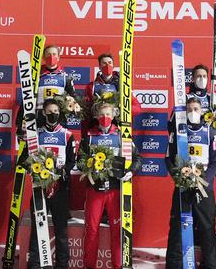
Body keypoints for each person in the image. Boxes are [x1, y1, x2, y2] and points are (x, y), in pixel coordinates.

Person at [78, 100, 136, 269]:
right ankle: (89, 266)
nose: (105, 118)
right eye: (102, 115)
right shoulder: (89, 136)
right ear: (96, 116)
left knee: (117, 230)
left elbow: (137, 158)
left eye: (108, 114)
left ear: (114, 116)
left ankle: (119, 265)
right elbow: (80, 161)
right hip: (95, 189)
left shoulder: (121, 135)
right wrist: (90, 166)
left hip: (115, 190)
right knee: (91, 230)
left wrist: (130, 171)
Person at [19, 97, 75, 269]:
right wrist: (33, 168)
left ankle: (62, 265)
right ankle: (34, 264)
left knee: (61, 230)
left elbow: (72, 161)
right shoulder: (35, 135)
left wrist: (62, 171)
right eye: (50, 112)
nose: (53, 115)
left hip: (60, 189)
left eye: (56, 112)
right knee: (37, 228)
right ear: (43, 113)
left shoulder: (67, 135)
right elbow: (22, 160)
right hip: (39, 188)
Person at [165, 96, 216, 269]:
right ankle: (174, 265)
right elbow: (168, 159)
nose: (193, 113)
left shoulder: (210, 132)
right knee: (177, 228)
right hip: (183, 188)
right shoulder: (178, 133)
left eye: (196, 109)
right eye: (189, 110)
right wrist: (179, 178)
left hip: (204, 190)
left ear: (202, 111)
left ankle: (210, 265)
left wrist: (202, 181)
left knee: (207, 230)